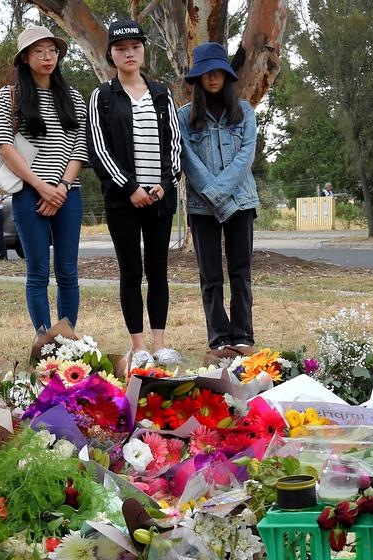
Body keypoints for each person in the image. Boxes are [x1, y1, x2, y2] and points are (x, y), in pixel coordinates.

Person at [87, 19, 183, 369]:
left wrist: (163, 183)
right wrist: (130, 187)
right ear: (111, 54)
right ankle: (138, 346)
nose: (129, 53)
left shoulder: (162, 93)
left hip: (160, 199)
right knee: (131, 271)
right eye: (121, 48)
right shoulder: (103, 96)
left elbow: (175, 144)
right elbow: (98, 148)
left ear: (143, 51)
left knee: (158, 270)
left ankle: (159, 344)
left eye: (135, 47)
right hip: (122, 201)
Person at [0, 25, 86, 334]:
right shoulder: (10, 95)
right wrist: (42, 187)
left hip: (68, 193)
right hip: (29, 194)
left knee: (68, 271)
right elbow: (3, 144)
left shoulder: (73, 97)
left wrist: (62, 187)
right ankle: (44, 341)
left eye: (53, 51)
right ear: (25, 58)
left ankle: (68, 338)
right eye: (39, 51)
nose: (47, 57)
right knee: (38, 272)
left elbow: (81, 147)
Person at [178, 42, 258, 362]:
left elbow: (245, 156)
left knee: (241, 272)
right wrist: (211, 194)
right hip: (201, 207)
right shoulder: (184, 116)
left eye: (218, 72)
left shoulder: (245, 111)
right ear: (198, 78)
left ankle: (242, 336)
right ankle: (218, 338)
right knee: (210, 275)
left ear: (226, 76)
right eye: (206, 73)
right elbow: (186, 156)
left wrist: (219, 192)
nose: (212, 78)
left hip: (241, 202)